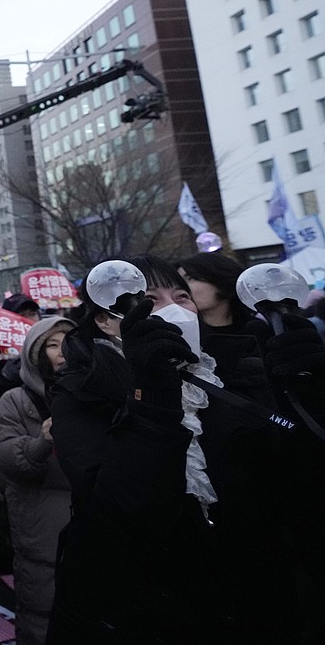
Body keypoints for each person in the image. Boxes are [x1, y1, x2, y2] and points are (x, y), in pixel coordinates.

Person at [48, 255, 319, 643]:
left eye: (182, 296)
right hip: (143, 615)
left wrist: (310, 398)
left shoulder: (242, 377)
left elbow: (294, 490)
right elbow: (122, 511)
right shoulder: (82, 394)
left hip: (253, 604)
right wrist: (155, 398)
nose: (175, 309)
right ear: (106, 321)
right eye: (149, 299)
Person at [0, 316, 74, 645]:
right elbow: (6, 456)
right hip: (40, 527)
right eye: (52, 345)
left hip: (88, 519)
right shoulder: (16, 401)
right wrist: (42, 442)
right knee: (42, 612)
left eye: (68, 343)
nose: (62, 352)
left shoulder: (96, 395)